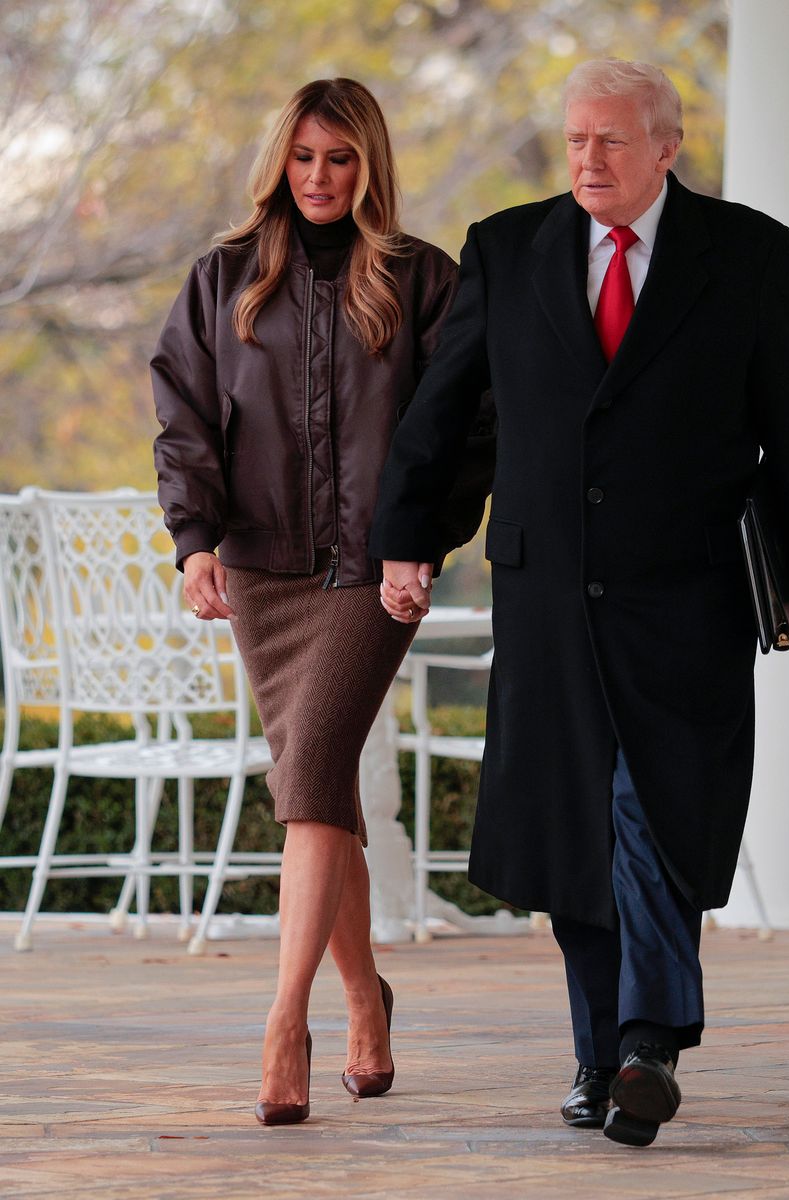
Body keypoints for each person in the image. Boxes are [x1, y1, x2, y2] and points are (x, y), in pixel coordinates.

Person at [368, 59, 789, 1147]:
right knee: (574, 829)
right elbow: (441, 414)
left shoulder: (748, 254)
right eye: (576, 140)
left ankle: (646, 1044)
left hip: (689, 593)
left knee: (652, 811)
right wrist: (407, 540)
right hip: (545, 593)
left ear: (668, 147)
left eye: (612, 142)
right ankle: (607, 1058)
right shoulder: (505, 247)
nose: (587, 159)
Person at [151, 77, 490, 1125]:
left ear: (369, 165)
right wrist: (193, 540)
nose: (318, 178)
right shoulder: (224, 278)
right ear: (279, 161)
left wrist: (417, 544)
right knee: (322, 784)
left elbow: (463, 428)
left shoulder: (424, 280)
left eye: (340, 159)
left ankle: (283, 1021)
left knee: (307, 775)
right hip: (259, 567)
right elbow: (187, 415)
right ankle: (364, 1000)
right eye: (302, 157)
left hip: (371, 572)